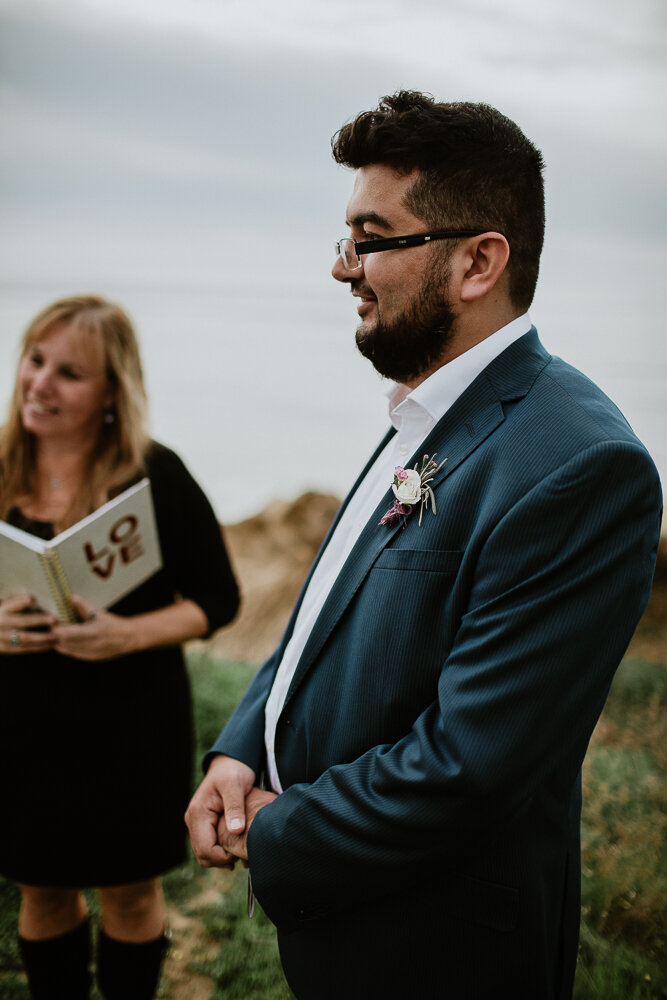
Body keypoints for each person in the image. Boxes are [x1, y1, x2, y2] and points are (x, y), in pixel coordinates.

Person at [185, 92, 662, 999]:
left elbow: (468, 767)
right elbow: (331, 603)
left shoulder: (579, 466)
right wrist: (241, 748)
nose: (343, 268)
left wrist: (274, 831)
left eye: (371, 237)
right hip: (347, 927)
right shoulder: (428, 405)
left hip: (439, 950)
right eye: (344, 238)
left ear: (479, 261)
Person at [0, 295, 239, 1000]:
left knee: (132, 895)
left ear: (111, 392)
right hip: (22, 726)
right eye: (35, 360)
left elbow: (218, 600)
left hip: (131, 724)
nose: (39, 383)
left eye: (68, 373)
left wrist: (124, 634)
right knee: (41, 893)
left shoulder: (156, 474)